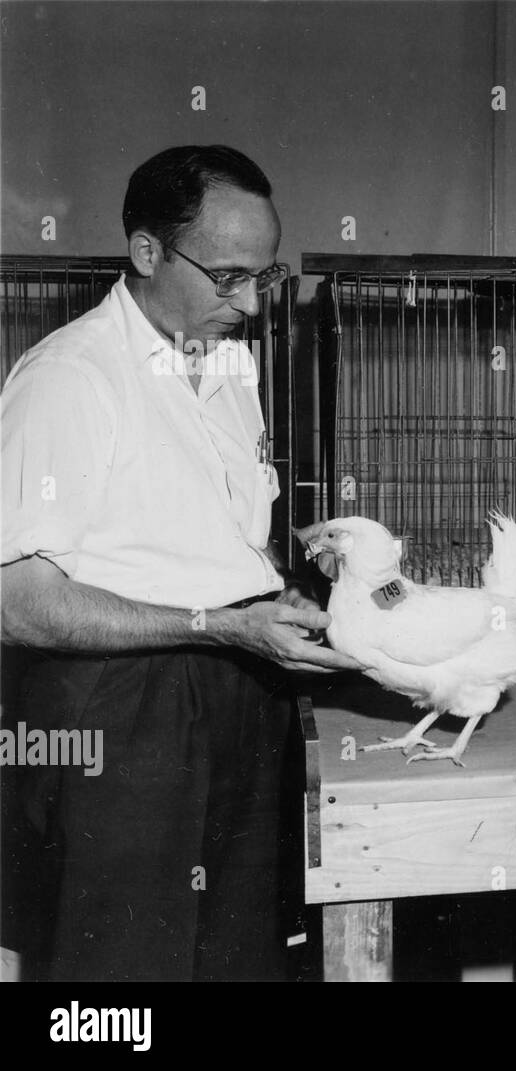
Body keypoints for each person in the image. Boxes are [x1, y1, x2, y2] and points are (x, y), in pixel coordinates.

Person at [0, 145, 360, 981]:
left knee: (236, 959)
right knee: (124, 974)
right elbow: (17, 601)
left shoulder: (228, 364)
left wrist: (282, 596)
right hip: (122, 714)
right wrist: (220, 623)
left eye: (262, 277)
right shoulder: (70, 378)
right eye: (227, 275)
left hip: (238, 689)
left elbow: (208, 538)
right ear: (147, 252)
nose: (247, 303)